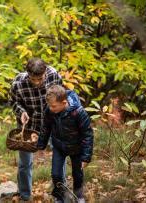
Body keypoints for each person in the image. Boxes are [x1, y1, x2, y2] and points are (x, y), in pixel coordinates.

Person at [10, 58, 62, 200]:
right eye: (34, 79)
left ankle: (59, 193)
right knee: (25, 164)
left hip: (52, 124)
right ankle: (25, 196)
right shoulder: (18, 83)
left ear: (45, 72)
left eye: (40, 78)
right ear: (28, 74)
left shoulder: (54, 75)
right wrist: (21, 112)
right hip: (28, 127)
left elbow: (62, 97)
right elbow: (13, 102)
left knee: (59, 157)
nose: (37, 82)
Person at [37, 85, 94, 203]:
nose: (51, 108)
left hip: (77, 147)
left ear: (64, 102)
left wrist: (86, 157)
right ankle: (60, 197)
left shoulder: (78, 112)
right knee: (56, 174)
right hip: (59, 146)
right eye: (49, 105)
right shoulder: (50, 111)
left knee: (77, 174)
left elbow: (87, 134)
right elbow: (45, 128)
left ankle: (79, 195)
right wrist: (41, 146)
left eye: (53, 106)